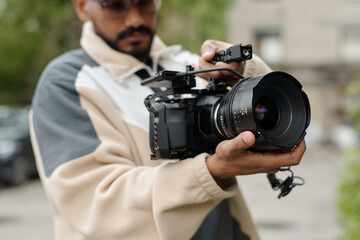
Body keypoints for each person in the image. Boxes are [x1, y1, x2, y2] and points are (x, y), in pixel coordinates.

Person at [29, 0, 306, 239]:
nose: (136, 18)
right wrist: (209, 171)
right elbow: (94, 207)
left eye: (145, 2)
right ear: (81, 7)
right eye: (114, 5)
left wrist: (243, 71)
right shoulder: (68, 82)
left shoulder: (192, 65)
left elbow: (277, 119)